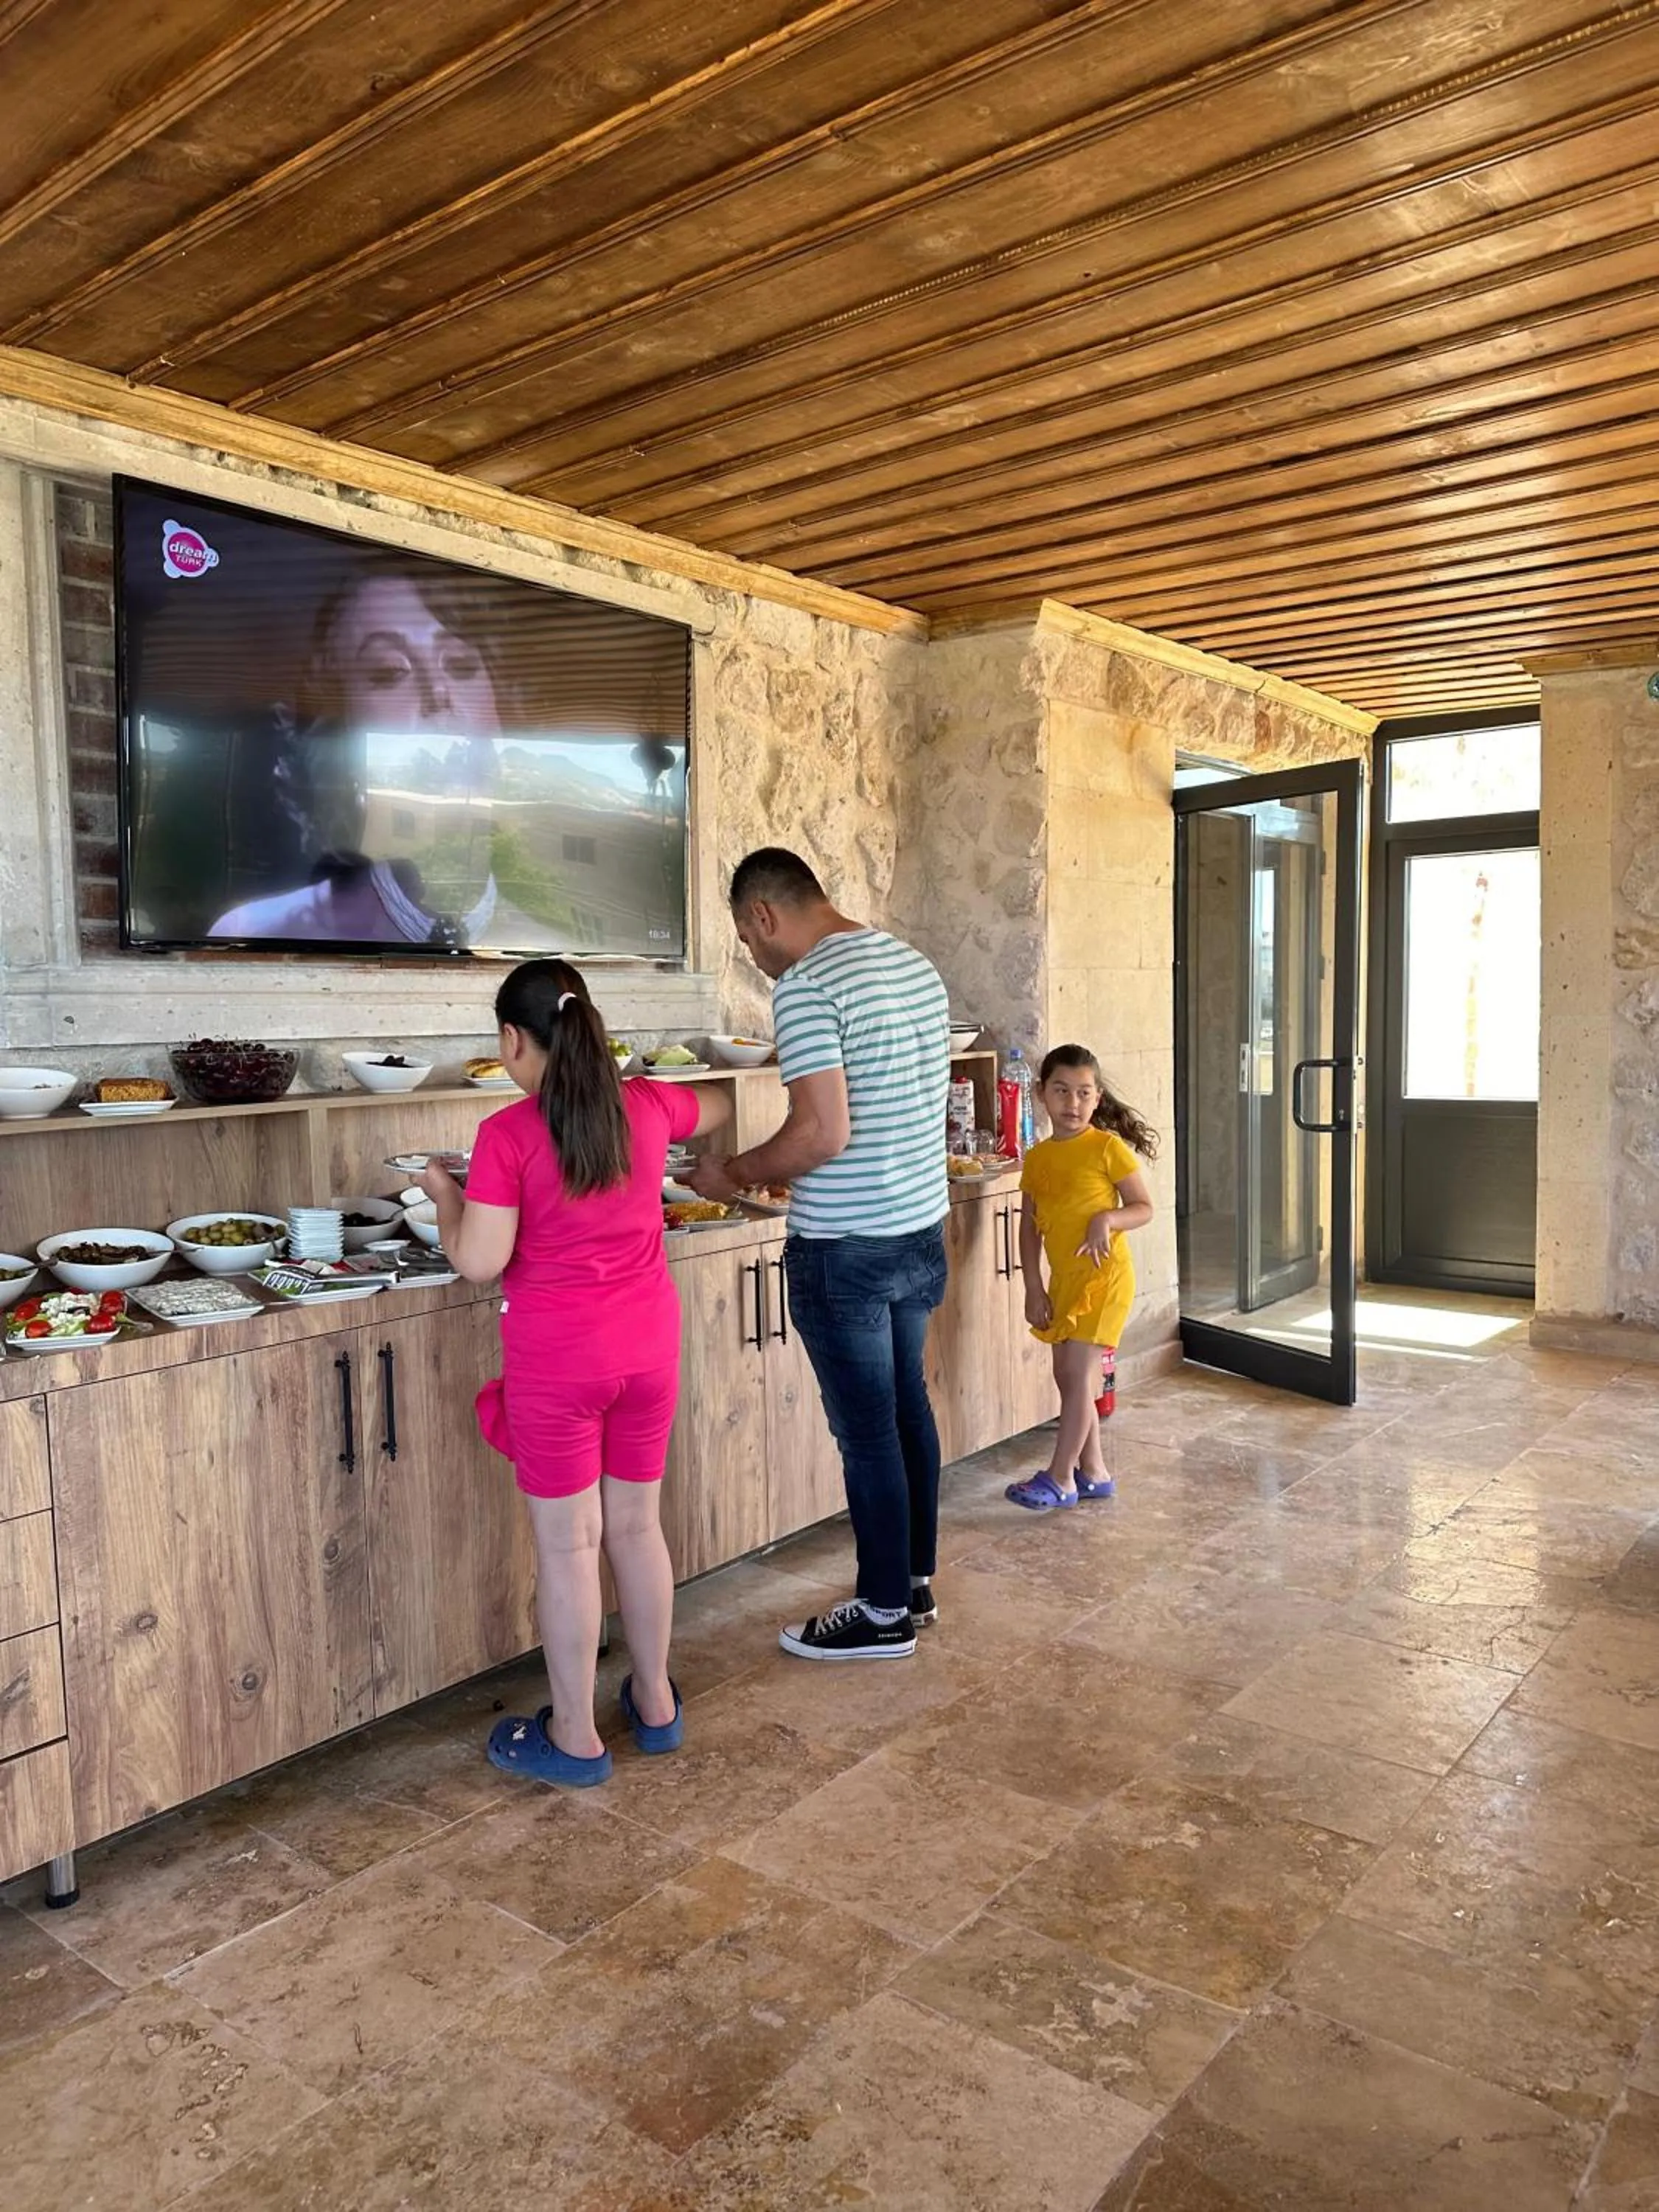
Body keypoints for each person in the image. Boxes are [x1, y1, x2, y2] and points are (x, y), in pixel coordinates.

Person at [419, 958, 731, 1784]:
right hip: (648, 1350)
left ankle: (575, 1736)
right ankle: (656, 1703)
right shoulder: (650, 1106)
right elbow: (723, 1102)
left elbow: (479, 1261)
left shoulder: (508, 1135)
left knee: (569, 1549)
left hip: (561, 1362)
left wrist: (441, 1192)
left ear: (512, 1041)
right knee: (636, 1529)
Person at [686, 849, 950, 1660]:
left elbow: (821, 1134)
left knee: (868, 1433)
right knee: (907, 1406)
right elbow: (888, 1112)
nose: (754, 959)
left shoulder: (807, 986)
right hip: (918, 1227)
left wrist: (730, 1173)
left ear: (763, 915)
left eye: (744, 938)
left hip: (847, 1250)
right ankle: (910, 1584)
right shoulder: (913, 966)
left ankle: (878, 1616)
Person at [211, 557, 509, 946]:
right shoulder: (254, 932)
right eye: (389, 672)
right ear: (341, 731)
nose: (439, 695)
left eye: (461, 664)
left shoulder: (553, 956)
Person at [1004, 1046, 1157, 1512]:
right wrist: (1033, 1285)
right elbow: (1029, 1227)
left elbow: (1143, 1208)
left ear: (1097, 1099)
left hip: (1105, 1280)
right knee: (1069, 1380)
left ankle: (1060, 1477)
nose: (1072, 1103)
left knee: (1077, 1375)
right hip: (1064, 1282)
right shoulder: (1038, 1158)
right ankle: (1094, 1473)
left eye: (1083, 1094)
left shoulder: (1106, 1148)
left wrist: (1107, 1220)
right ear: (1041, 1095)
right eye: (1061, 1091)